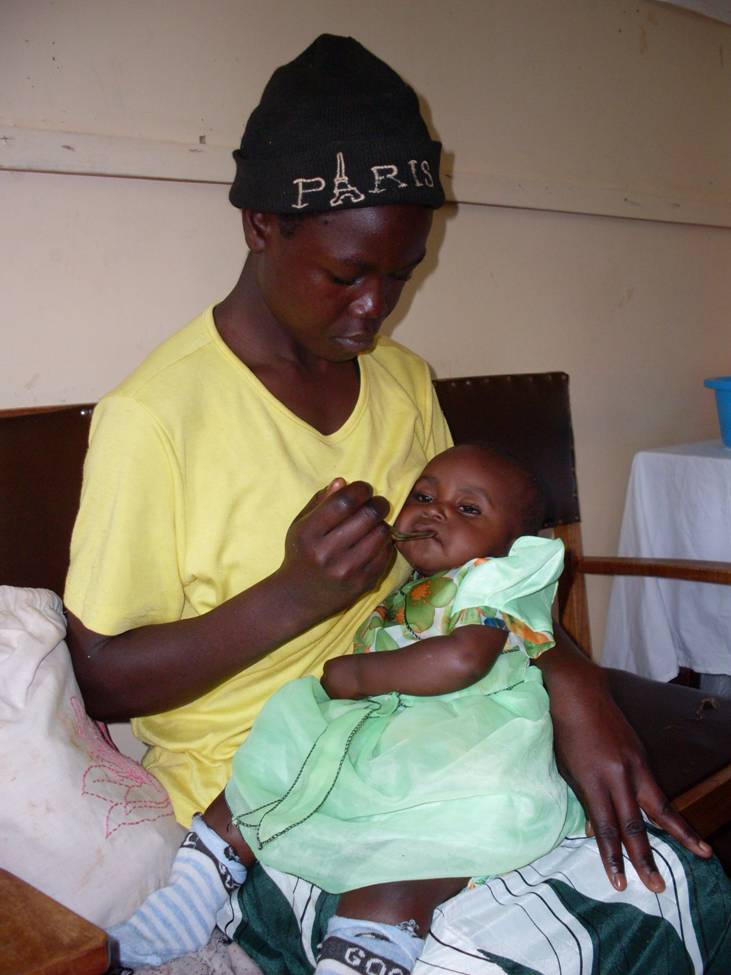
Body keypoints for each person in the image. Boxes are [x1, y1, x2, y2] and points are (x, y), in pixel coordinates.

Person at [63, 32, 718, 975]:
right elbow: (97, 680)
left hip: (437, 721)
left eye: (400, 275)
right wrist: (291, 597)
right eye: (347, 274)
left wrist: (572, 681)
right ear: (261, 226)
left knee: (673, 888)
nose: (376, 309)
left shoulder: (402, 381)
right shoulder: (156, 418)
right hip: (267, 784)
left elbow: (480, 566)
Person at [109, 444, 585, 972]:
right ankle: (189, 897)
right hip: (386, 734)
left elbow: (465, 658)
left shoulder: (499, 580)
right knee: (264, 772)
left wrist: (358, 674)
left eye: (468, 509)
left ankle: (362, 953)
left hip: (460, 757)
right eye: (424, 496)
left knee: (401, 868)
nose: (435, 510)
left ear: (510, 544)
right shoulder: (416, 580)